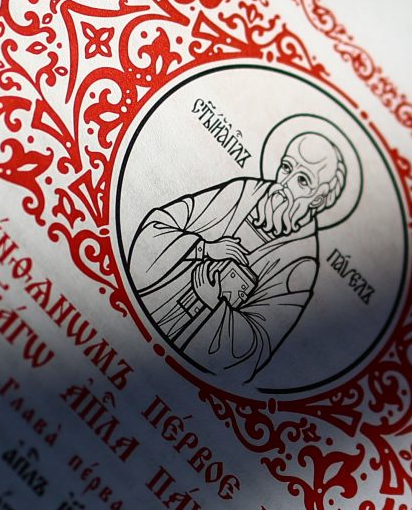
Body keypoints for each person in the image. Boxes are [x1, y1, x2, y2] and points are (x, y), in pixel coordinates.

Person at [128, 132, 347, 384]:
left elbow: (258, 347)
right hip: (145, 314)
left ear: (317, 199)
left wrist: (214, 304)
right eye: (286, 167)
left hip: (177, 367)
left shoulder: (301, 263)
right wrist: (203, 248)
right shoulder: (243, 193)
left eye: (302, 180)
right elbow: (160, 224)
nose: (285, 183)